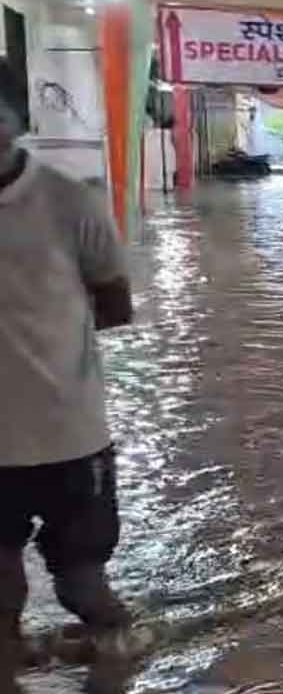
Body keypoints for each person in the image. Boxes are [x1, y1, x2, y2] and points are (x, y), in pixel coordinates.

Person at [0, 63, 135, 688]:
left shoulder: (69, 201)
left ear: (17, 120)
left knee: (84, 588)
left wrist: (42, 353)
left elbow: (114, 303)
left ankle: (121, 665)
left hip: (69, 437)